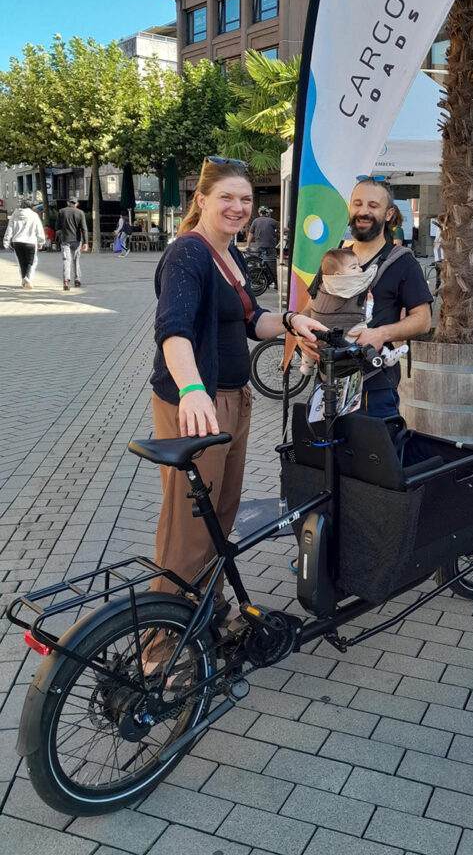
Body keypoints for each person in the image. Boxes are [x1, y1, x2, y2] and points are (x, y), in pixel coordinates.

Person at [147, 157, 325, 645]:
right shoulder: (189, 253)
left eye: (245, 199)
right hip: (198, 405)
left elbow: (251, 321)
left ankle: (208, 609)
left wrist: (291, 322)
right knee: (187, 529)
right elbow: (174, 330)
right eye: (226, 197)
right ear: (201, 199)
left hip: (233, 401)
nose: (238, 207)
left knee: (221, 516)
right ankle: (158, 651)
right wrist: (191, 390)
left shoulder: (230, 255)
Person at [298, 177, 432, 419]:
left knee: (371, 457)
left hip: (374, 388)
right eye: (357, 204)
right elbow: (309, 309)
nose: (363, 211)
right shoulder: (334, 258)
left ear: (389, 214)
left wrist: (381, 334)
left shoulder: (402, 261)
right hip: (328, 382)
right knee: (324, 456)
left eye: (373, 205)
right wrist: (302, 335)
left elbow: (423, 320)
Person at [298, 247, 408, 376]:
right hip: (345, 342)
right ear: (338, 275)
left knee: (310, 350)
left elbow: (310, 308)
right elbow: (366, 317)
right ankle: (386, 356)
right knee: (364, 340)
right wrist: (370, 304)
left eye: (358, 266)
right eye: (354, 267)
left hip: (319, 340)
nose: (361, 270)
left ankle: (307, 367)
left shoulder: (322, 284)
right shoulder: (355, 286)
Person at [3, 201, 45, 288]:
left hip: (17, 242)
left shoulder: (15, 214)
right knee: (30, 262)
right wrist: (41, 242)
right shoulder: (34, 215)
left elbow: (9, 228)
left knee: (22, 262)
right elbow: (39, 229)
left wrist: (6, 241)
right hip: (30, 242)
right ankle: (27, 278)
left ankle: (23, 281)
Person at [55, 197, 88, 290]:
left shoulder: (61, 211)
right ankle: (77, 280)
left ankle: (66, 280)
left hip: (65, 240)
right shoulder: (80, 213)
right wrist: (86, 242)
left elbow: (57, 226)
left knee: (66, 260)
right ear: (76, 204)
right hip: (77, 241)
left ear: (68, 202)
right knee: (76, 260)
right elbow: (84, 229)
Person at [247, 205, 279, 287]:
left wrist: (248, 245)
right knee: (272, 266)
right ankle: (275, 283)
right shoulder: (272, 221)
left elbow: (250, 234)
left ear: (259, 213)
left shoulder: (255, 221)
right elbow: (283, 229)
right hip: (270, 247)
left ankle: (260, 280)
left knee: (259, 263)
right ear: (267, 213)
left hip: (259, 247)